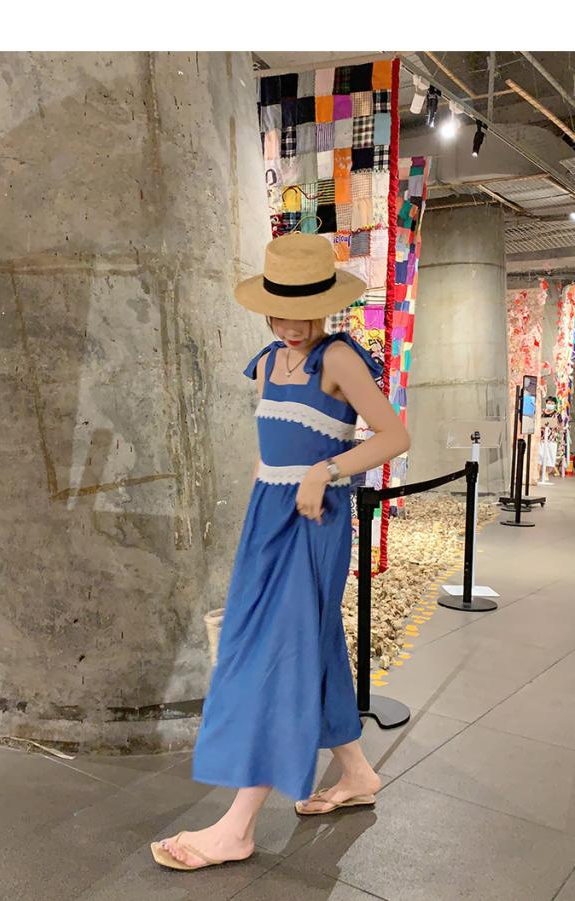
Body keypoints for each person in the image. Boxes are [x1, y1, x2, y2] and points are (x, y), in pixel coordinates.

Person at [151, 233, 411, 871]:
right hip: (268, 518)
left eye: (306, 310)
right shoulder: (267, 362)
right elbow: (271, 454)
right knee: (307, 642)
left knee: (278, 653)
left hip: (315, 520)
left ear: (325, 305)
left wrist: (326, 470)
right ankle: (356, 773)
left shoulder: (339, 358)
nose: (293, 325)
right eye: (281, 311)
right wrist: (259, 513)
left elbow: (394, 436)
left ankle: (237, 826)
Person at [539, 396, 560, 478]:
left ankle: (546, 473)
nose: (550, 404)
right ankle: (537, 472)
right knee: (540, 455)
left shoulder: (557, 414)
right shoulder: (541, 412)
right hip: (541, 438)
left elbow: (560, 426)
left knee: (550, 456)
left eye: (552, 403)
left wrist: (557, 427)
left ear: (555, 405)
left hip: (552, 438)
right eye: (548, 403)